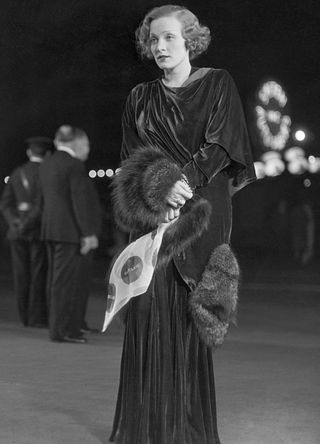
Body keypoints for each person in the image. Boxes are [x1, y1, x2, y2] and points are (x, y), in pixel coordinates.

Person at [108, 5, 256, 444]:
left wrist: (178, 184)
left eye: (169, 37)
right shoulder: (139, 97)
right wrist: (158, 188)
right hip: (151, 221)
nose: (159, 47)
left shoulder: (218, 83)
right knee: (149, 317)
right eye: (153, 40)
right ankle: (147, 430)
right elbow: (130, 161)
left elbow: (220, 146)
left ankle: (185, 430)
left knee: (190, 322)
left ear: (190, 39)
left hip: (199, 217)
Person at [39, 125, 100, 344]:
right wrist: (88, 234)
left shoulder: (47, 163)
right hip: (70, 233)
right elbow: (79, 202)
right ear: (77, 143)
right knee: (66, 284)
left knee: (55, 283)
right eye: (86, 145)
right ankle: (63, 331)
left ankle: (61, 327)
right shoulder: (74, 165)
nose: (88, 150)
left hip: (51, 230)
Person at [0, 137, 52, 327]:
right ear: (47, 154)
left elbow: (5, 203)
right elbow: (41, 205)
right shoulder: (47, 173)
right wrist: (28, 222)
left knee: (21, 274)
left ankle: (24, 317)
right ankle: (37, 317)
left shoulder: (17, 173)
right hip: (37, 230)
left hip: (16, 231)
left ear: (29, 153)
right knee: (38, 274)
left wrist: (15, 222)